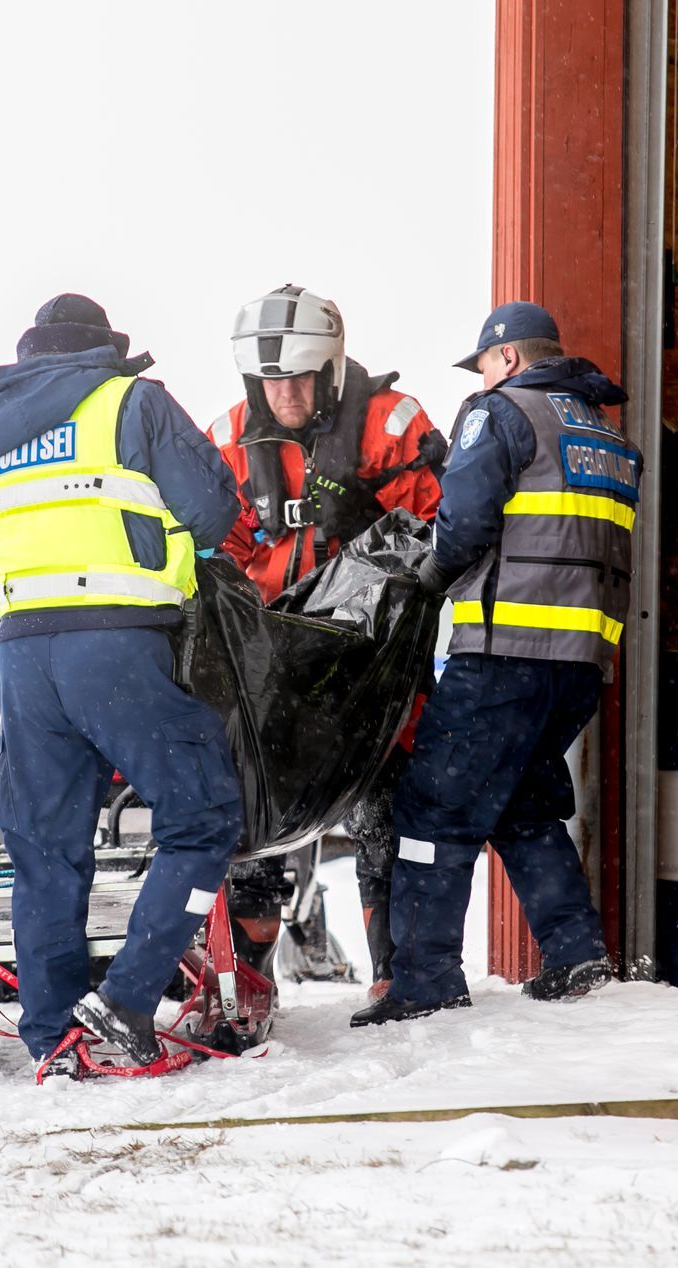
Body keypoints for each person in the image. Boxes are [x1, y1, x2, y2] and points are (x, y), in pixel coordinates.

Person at [0, 294, 244, 1077]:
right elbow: (215, 510)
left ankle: (52, 1037)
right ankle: (126, 1000)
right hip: (115, 643)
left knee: (44, 851)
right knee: (204, 817)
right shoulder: (130, 401)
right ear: (102, 351)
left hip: (22, 653)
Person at [351, 300, 636, 1028]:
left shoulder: (500, 412)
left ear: (507, 358)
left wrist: (425, 581)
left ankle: (424, 977)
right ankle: (576, 953)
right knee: (522, 801)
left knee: (431, 806)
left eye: (484, 362)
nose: (481, 374)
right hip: (579, 663)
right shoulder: (600, 431)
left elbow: (465, 520)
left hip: (503, 649)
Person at [207, 285, 448, 997]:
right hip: (274, 656)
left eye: (299, 380)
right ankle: (249, 978)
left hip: (371, 655)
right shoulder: (227, 437)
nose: (284, 396)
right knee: (254, 808)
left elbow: (439, 525)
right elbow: (215, 542)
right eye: (271, 382)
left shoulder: (391, 422)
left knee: (386, 802)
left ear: (331, 370)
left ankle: (394, 971)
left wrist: (369, 515)